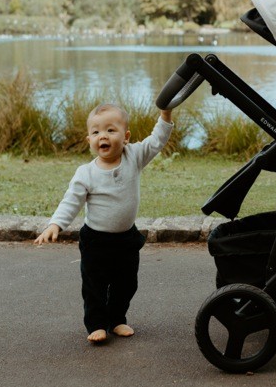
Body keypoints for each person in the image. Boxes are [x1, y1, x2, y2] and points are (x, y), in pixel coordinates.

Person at [35, 102, 173, 344]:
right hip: (96, 241)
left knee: (127, 283)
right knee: (94, 285)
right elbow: (71, 201)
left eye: (111, 130)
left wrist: (165, 115)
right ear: (89, 139)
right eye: (96, 132)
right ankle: (97, 324)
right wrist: (55, 224)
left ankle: (117, 319)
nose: (103, 136)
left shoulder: (134, 157)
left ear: (126, 136)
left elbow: (156, 141)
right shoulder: (85, 173)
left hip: (126, 239)